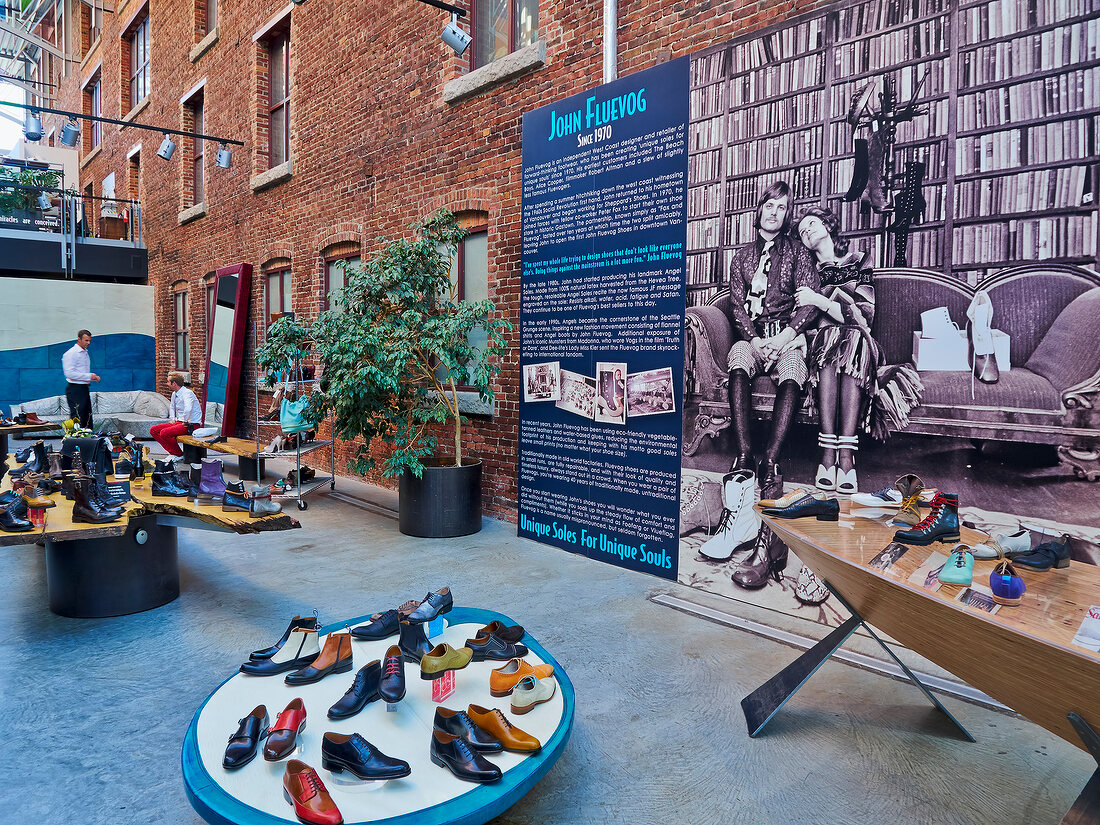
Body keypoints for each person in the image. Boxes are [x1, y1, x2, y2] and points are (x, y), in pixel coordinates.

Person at [794, 206, 922, 494]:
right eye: (802, 231)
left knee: (850, 337)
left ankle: (845, 457)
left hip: (861, 345)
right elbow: (803, 319)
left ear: (828, 225)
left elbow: (865, 316)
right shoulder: (806, 272)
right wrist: (821, 312)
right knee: (830, 337)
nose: (807, 230)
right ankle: (830, 455)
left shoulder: (860, 260)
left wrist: (820, 301)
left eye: (812, 223)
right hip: (821, 345)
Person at [725, 181, 819, 491]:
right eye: (770, 205)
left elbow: (810, 302)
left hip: (787, 337)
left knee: (793, 369)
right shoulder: (740, 258)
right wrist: (753, 340)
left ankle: (770, 459)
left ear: (787, 214)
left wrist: (785, 337)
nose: (774, 212)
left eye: (781, 207)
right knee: (738, 356)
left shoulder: (799, 252)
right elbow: (737, 307)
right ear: (760, 209)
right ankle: (743, 456)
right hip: (753, 337)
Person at [150, 372, 202, 457]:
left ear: (174, 383)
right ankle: (175, 452)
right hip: (179, 421)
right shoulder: (175, 393)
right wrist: (173, 419)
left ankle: (177, 454)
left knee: (164, 433)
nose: (167, 384)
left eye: (168, 382)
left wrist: (185, 421)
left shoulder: (187, 393)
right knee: (153, 430)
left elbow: (188, 408)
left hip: (191, 424)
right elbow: (172, 407)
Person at [62, 329, 99, 429]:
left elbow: (81, 371)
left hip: (83, 389)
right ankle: (77, 441)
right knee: (78, 418)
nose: (88, 343)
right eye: (86, 340)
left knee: (87, 417)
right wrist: (88, 376)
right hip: (75, 389)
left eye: (90, 341)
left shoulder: (84, 353)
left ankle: (88, 441)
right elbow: (69, 373)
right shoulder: (71, 353)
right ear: (79, 339)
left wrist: (92, 376)